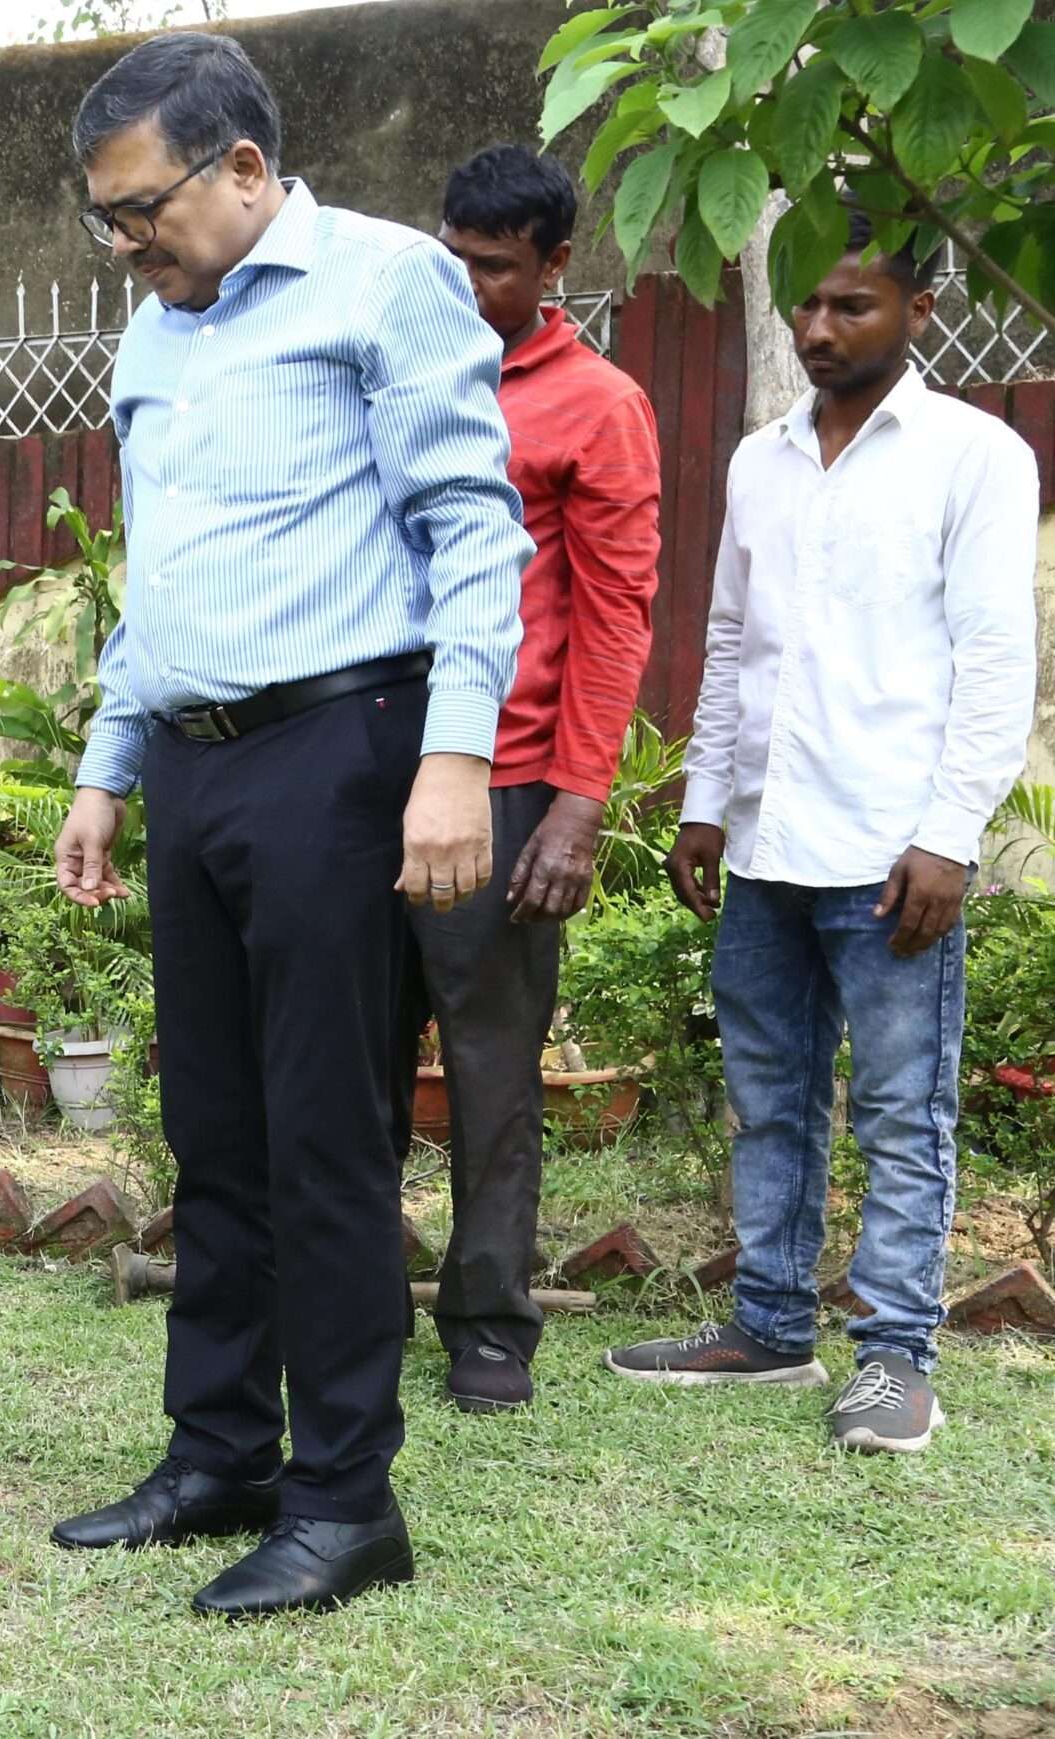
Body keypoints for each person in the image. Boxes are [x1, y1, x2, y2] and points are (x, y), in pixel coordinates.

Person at [44, 34, 531, 1618]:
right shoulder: (156, 332)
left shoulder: (387, 284)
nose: (127, 242)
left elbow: (471, 527)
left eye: (142, 210)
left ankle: (346, 1497)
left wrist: (454, 760)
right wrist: (110, 766)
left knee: (328, 1139)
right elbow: (160, 571)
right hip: (194, 760)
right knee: (220, 1136)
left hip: (342, 745)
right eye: (107, 221)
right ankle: (220, 1452)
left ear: (244, 169)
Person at [605, 215, 1037, 1456]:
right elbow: (734, 641)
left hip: (893, 851)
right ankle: (769, 1325)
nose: (816, 328)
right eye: (805, 305)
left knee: (903, 1112)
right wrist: (701, 800)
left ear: (921, 310)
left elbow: (995, 658)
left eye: (852, 305)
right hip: (767, 847)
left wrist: (950, 835)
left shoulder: (976, 457)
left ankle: (895, 1360)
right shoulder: (760, 461)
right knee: (769, 1097)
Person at [418, 145, 660, 1413]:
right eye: (450, 257)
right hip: (374, 771)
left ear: (556, 265)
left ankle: (489, 1323)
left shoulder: (597, 403)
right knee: (341, 1051)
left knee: (493, 1066)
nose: (464, 284)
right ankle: (344, 1291)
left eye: (494, 267)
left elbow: (616, 615)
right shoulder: (399, 369)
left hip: (508, 787)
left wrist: (576, 804)